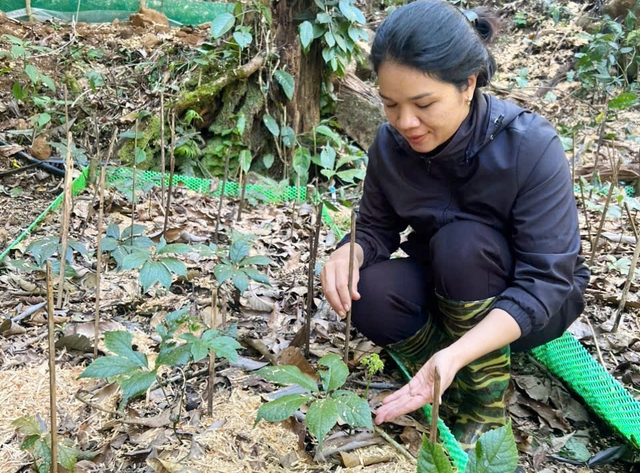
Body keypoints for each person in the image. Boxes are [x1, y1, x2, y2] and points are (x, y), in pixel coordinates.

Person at [320, 0, 590, 451]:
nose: (406, 122)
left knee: (463, 242)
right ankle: (434, 373)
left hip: (529, 301)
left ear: (467, 84)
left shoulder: (531, 146)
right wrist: (351, 250)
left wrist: (461, 352)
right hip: (447, 284)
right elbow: (375, 228)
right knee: (371, 294)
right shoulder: (391, 145)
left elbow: (547, 279)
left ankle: (481, 402)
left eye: (423, 104)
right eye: (390, 104)